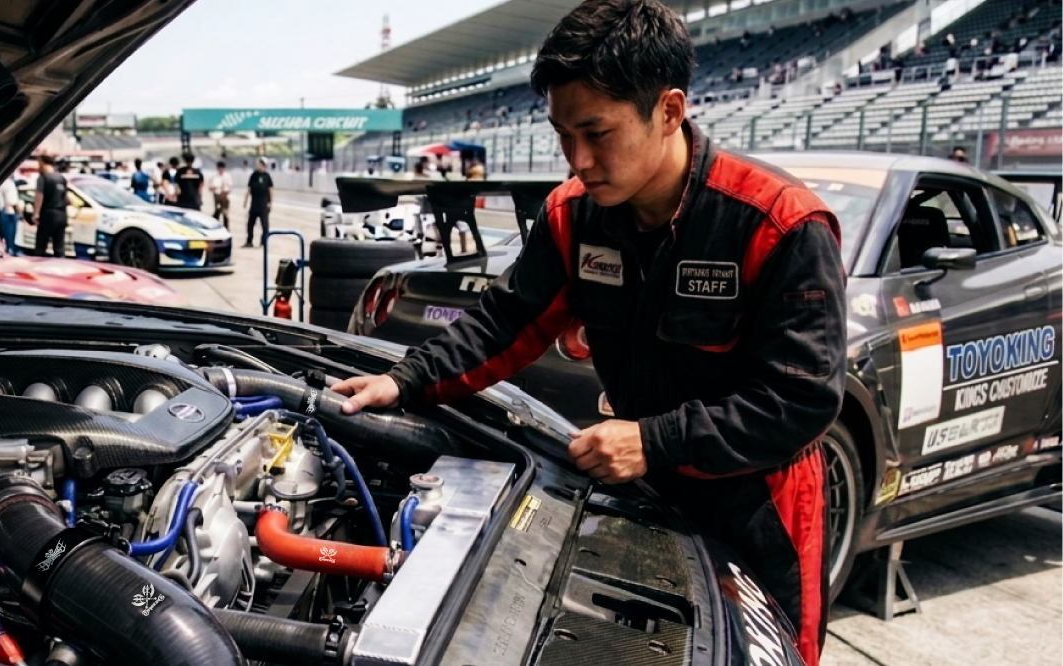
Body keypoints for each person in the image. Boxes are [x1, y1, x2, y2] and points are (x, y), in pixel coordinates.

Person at [332, 2, 844, 664]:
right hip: (639, 484)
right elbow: (506, 320)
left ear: (669, 110)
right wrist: (403, 381)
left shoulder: (778, 225)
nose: (578, 159)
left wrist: (653, 440)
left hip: (757, 504)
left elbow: (800, 403)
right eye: (562, 134)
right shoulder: (574, 216)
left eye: (597, 133)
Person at [32, 154, 69, 257]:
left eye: (39, 163)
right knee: (59, 247)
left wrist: (36, 214)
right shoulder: (62, 178)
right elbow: (66, 198)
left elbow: (39, 197)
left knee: (40, 246)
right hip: (61, 215)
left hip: (48, 214)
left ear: (43, 163)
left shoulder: (43, 178)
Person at [243, 158, 273, 247]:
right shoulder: (253, 176)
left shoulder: (267, 176)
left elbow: (270, 190)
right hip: (254, 204)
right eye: (258, 164)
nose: (258, 166)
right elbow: (249, 189)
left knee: (265, 225)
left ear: (264, 166)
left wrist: (270, 202)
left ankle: (263, 241)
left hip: (263, 204)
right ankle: (249, 241)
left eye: (260, 164)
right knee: (250, 224)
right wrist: (245, 201)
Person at [0, 177, 24, 255]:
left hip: (2, 212)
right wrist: (21, 214)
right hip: (10, 214)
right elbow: (12, 201)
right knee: (11, 239)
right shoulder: (9, 184)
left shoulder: (1, 183)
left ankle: (8, 251)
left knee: (5, 238)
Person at [209, 161, 232, 227]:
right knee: (217, 211)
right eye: (219, 168)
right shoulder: (214, 176)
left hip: (224, 196)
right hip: (217, 196)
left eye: (222, 168)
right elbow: (210, 187)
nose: (221, 170)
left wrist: (225, 191)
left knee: (225, 213)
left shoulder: (227, 176)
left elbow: (229, 187)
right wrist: (214, 188)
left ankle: (226, 227)